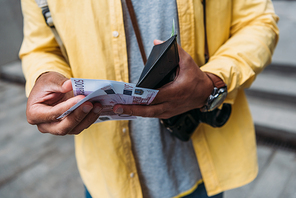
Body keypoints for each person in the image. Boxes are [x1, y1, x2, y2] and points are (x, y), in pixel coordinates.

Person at [19, 0, 279, 197]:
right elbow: (40, 46)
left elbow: (258, 20)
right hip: (106, 180)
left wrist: (212, 81)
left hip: (198, 171)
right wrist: (43, 76)